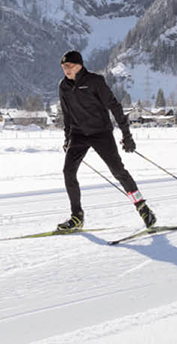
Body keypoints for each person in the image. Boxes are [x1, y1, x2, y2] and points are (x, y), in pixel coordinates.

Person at [56, 50, 156, 232]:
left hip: (101, 133)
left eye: (69, 66)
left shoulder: (95, 82)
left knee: (118, 171)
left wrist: (127, 136)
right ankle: (76, 217)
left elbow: (115, 107)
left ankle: (142, 207)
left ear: (79, 66)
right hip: (79, 134)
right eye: (63, 67)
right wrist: (67, 138)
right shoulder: (63, 86)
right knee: (68, 172)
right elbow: (67, 115)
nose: (66, 70)